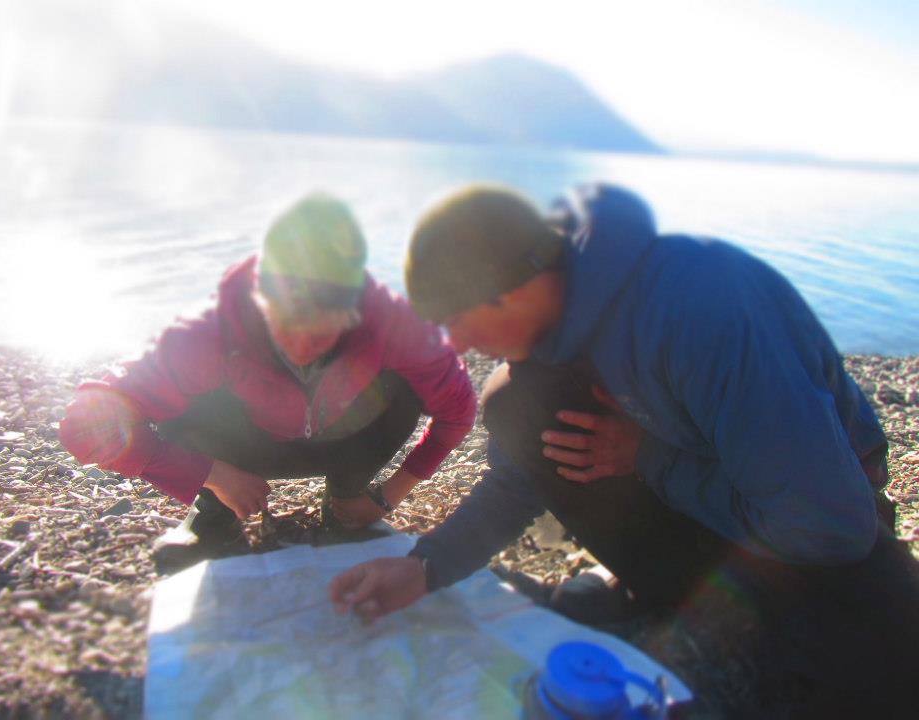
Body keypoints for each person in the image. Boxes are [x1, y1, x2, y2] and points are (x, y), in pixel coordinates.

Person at [329, 183, 919, 714]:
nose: (456, 344)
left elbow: (827, 524)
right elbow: (519, 479)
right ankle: (660, 599)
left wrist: (649, 456)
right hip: (711, 505)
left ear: (516, 287)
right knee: (513, 402)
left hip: (826, 529)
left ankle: (731, 630)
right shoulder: (552, 334)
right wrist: (425, 567)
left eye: (457, 319)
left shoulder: (700, 310)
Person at [59, 192, 476, 573]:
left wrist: (391, 494)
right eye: (287, 325)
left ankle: (347, 500)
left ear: (355, 312)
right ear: (261, 300)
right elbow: (84, 429)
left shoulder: (394, 322)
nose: (301, 348)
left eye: (321, 331)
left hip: (346, 443)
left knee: (404, 388)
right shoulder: (210, 329)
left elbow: (458, 411)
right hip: (246, 448)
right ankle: (214, 514)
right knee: (175, 397)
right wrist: (210, 474)